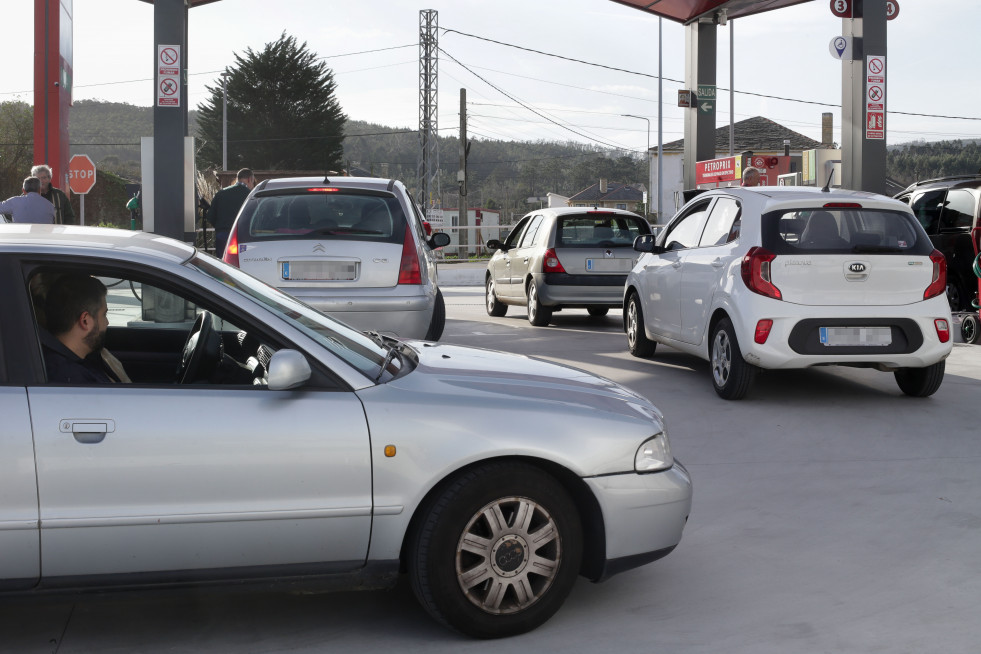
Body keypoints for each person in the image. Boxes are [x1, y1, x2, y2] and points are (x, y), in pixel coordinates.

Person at [40, 274, 123, 383]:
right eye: (104, 314)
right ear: (85, 321)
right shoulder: (76, 381)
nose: (107, 322)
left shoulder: (52, 361)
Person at [207, 168, 254, 257]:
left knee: (223, 264)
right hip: (244, 237)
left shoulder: (221, 193)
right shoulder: (251, 195)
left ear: (237, 178)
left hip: (222, 236)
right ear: (249, 179)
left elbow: (210, 217)